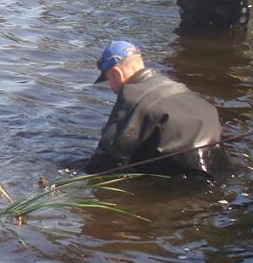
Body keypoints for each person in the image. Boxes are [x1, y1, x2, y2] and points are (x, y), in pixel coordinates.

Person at [86, 40, 227, 177]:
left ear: (117, 74)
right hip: (218, 164)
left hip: (186, 178)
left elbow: (108, 155)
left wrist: (80, 174)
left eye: (109, 79)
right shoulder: (175, 86)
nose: (111, 87)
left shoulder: (132, 97)